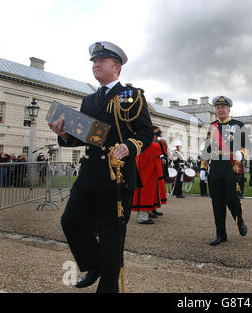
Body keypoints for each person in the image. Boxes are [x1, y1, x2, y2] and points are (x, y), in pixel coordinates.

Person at [49, 41, 153, 292]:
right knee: (71, 220)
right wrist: (63, 134)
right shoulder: (88, 100)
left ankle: (108, 286)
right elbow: (84, 136)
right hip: (89, 174)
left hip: (116, 175)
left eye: (101, 61)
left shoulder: (133, 96)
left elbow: (146, 132)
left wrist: (129, 146)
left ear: (116, 67)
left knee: (111, 238)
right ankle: (94, 264)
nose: (96, 65)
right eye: (94, 62)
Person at [200, 96, 249, 246]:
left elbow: (247, 145)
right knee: (217, 202)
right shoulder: (212, 126)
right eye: (218, 107)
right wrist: (203, 167)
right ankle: (220, 234)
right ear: (215, 110)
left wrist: (242, 153)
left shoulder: (238, 125)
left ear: (229, 109)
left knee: (231, 198)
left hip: (231, 167)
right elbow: (207, 149)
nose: (220, 110)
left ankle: (239, 220)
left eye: (223, 107)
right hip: (215, 168)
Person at [132, 126, 167, 224]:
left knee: (146, 194)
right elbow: (162, 149)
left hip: (144, 173)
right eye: (156, 136)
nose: (157, 138)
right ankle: (142, 217)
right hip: (148, 175)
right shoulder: (152, 146)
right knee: (145, 195)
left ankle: (146, 213)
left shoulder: (142, 145)